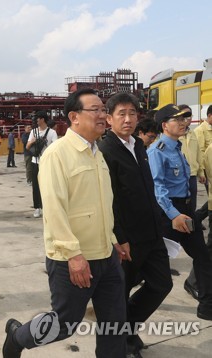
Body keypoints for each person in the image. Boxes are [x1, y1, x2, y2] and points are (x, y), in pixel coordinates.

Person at [3, 88, 127, 358]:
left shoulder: (97, 154)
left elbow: (102, 204)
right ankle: (18, 335)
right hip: (74, 258)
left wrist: (114, 240)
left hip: (106, 255)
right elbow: (55, 210)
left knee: (115, 322)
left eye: (103, 110)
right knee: (64, 324)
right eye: (95, 110)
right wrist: (73, 255)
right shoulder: (57, 154)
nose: (103, 115)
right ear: (74, 117)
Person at [98, 93, 173, 357]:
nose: (128, 119)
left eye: (132, 113)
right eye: (122, 114)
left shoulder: (139, 146)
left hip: (152, 233)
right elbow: (111, 200)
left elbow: (148, 189)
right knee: (118, 295)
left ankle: (128, 326)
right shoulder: (105, 151)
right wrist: (120, 238)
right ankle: (120, 342)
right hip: (128, 239)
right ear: (108, 119)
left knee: (162, 284)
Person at [147, 103, 212, 321]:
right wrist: (174, 215)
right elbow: (158, 188)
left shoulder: (177, 147)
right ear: (165, 125)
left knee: (203, 257)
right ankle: (122, 309)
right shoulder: (157, 151)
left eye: (185, 119)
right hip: (168, 215)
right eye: (178, 120)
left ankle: (206, 305)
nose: (184, 123)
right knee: (152, 265)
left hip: (186, 210)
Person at [25, 111, 57, 218]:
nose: (36, 120)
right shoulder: (33, 132)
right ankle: (37, 207)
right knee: (36, 186)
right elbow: (27, 146)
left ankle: (47, 207)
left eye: (37, 118)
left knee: (48, 186)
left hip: (47, 163)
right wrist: (32, 141)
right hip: (35, 162)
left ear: (43, 119)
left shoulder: (52, 133)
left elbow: (55, 147)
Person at [178, 104, 205, 212]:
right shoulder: (173, 134)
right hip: (179, 176)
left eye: (190, 115)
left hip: (192, 175)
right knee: (180, 204)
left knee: (192, 205)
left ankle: (192, 225)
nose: (189, 118)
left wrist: (201, 172)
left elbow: (198, 153)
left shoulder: (192, 133)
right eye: (186, 115)